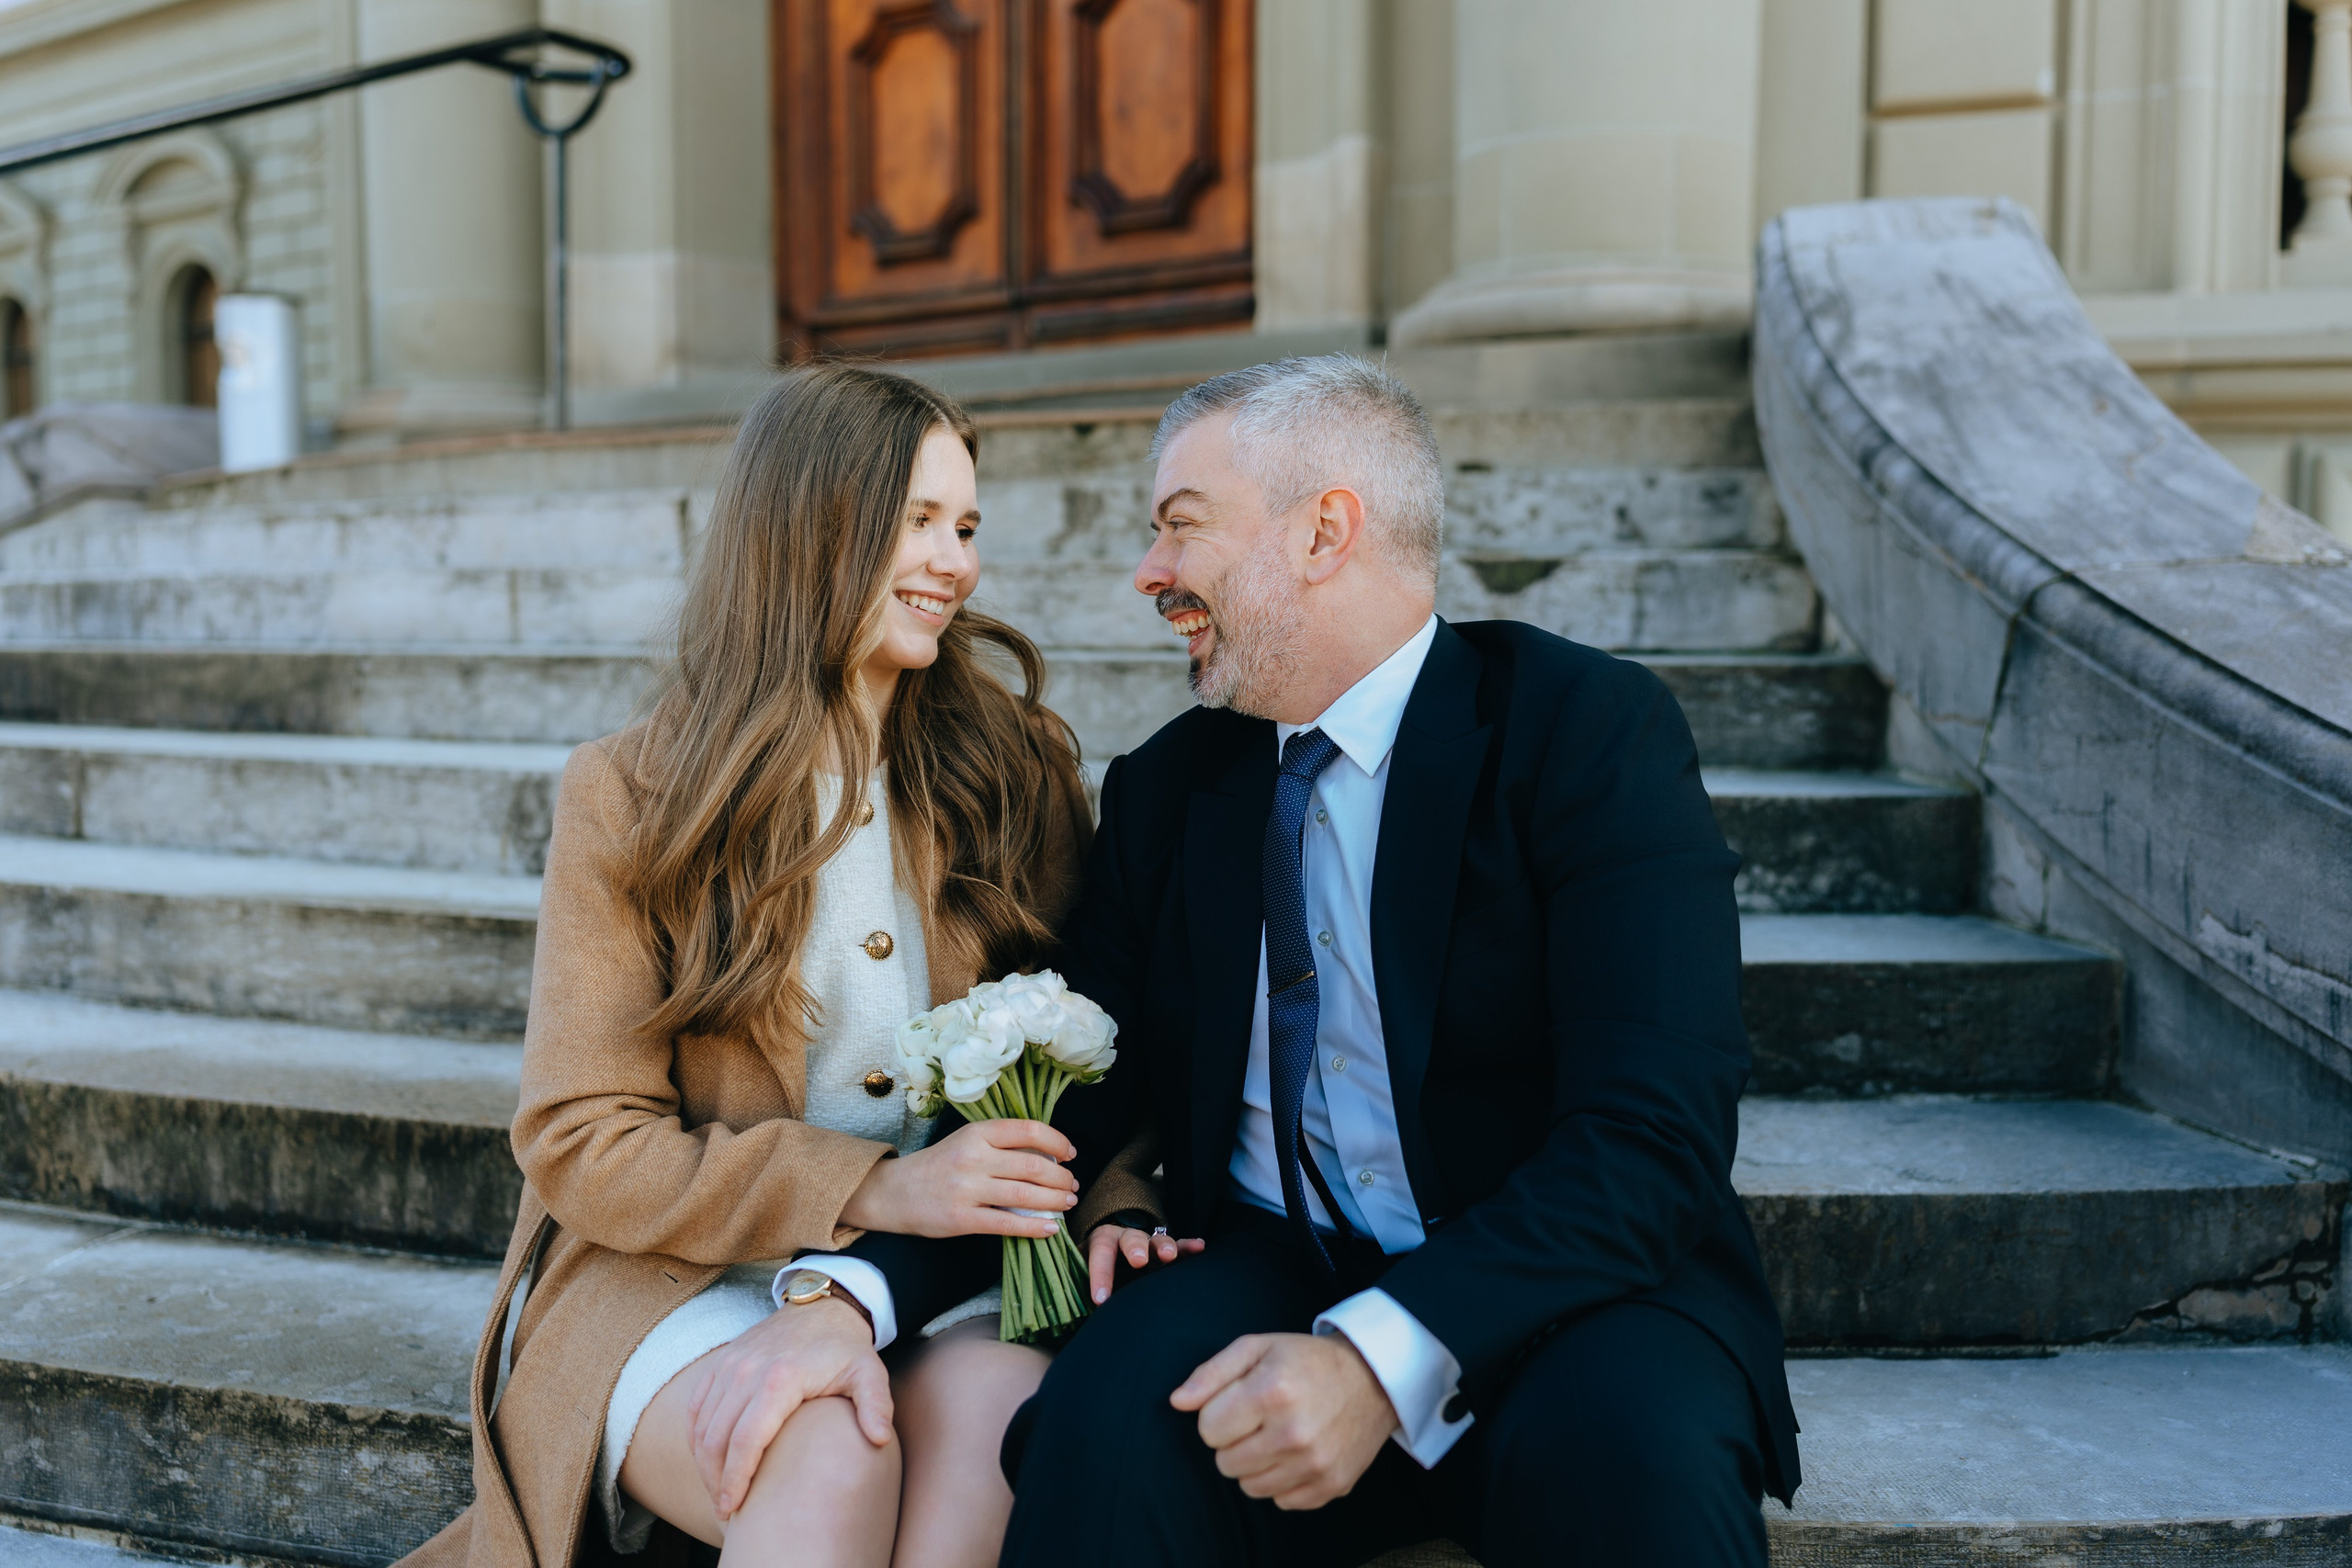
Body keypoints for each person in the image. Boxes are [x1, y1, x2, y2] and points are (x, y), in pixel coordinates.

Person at [1020, 355, 1802, 1566]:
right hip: (1274, 1259)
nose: (1150, 573)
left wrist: (1374, 1361)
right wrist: (852, 1293)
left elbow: (1653, 1137)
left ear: (1326, 530)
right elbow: (1078, 1099)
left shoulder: (1586, 732)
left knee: (1634, 1461)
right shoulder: (1169, 791)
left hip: (1570, 1278)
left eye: (1181, 528)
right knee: (1103, 1430)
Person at [401, 363, 1106, 1568]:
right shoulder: (634, 794)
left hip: (950, 1280)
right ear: (809, 529)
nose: (956, 561)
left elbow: (1107, 1052)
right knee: (826, 1445)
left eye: (968, 525)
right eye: (917, 522)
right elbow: (581, 1135)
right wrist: (865, 1189)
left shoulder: (1017, 767)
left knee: (996, 1435)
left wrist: (1108, 1203)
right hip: (678, 1279)